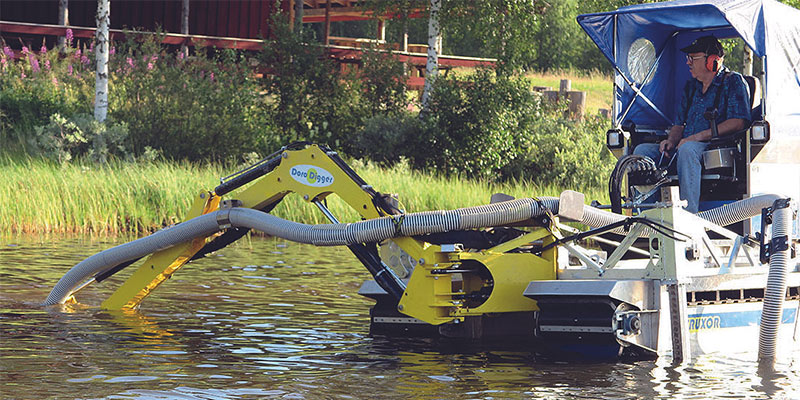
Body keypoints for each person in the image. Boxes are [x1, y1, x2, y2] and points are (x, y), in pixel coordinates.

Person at [633, 35, 751, 213]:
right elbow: (679, 124)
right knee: (641, 152)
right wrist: (671, 141)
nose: (688, 63)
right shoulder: (691, 86)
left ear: (713, 61)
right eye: (688, 58)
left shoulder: (733, 82)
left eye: (693, 58)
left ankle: (689, 217)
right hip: (684, 148)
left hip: (716, 149)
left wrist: (696, 138)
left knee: (688, 150)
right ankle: (647, 215)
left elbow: (738, 122)